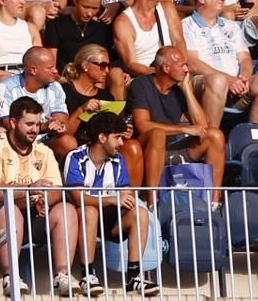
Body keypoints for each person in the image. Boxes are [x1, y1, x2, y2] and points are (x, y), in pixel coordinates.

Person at [0, 96, 75, 299]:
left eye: (37, 124)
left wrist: (44, 198)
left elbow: (56, 189)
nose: (35, 129)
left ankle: (63, 275)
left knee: (66, 209)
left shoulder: (43, 151)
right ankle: (10, 276)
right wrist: (29, 190)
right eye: (29, 124)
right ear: (12, 122)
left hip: (33, 211)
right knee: (11, 208)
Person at [62, 110, 157, 298]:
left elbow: (126, 193)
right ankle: (87, 275)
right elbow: (77, 197)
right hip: (79, 218)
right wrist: (111, 199)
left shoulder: (118, 160)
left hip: (108, 219)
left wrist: (121, 199)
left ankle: (134, 276)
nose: (122, 143)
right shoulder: (75, 157)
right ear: (102, 137)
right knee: (89, 210)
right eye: (118, 137)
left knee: (140, 212)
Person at [126, 45, 224, 188]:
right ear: (166, 68)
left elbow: (203, 127)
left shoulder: (178, 90)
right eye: (182, 66)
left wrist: (187, 90)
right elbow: (143, 126)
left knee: (215, 135)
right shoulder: (141, 84)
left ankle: (214, 201)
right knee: (158, 134)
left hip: (170, 147)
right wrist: (183, 129)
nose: (186, 70)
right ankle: (153, 200)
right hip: (147, 148)